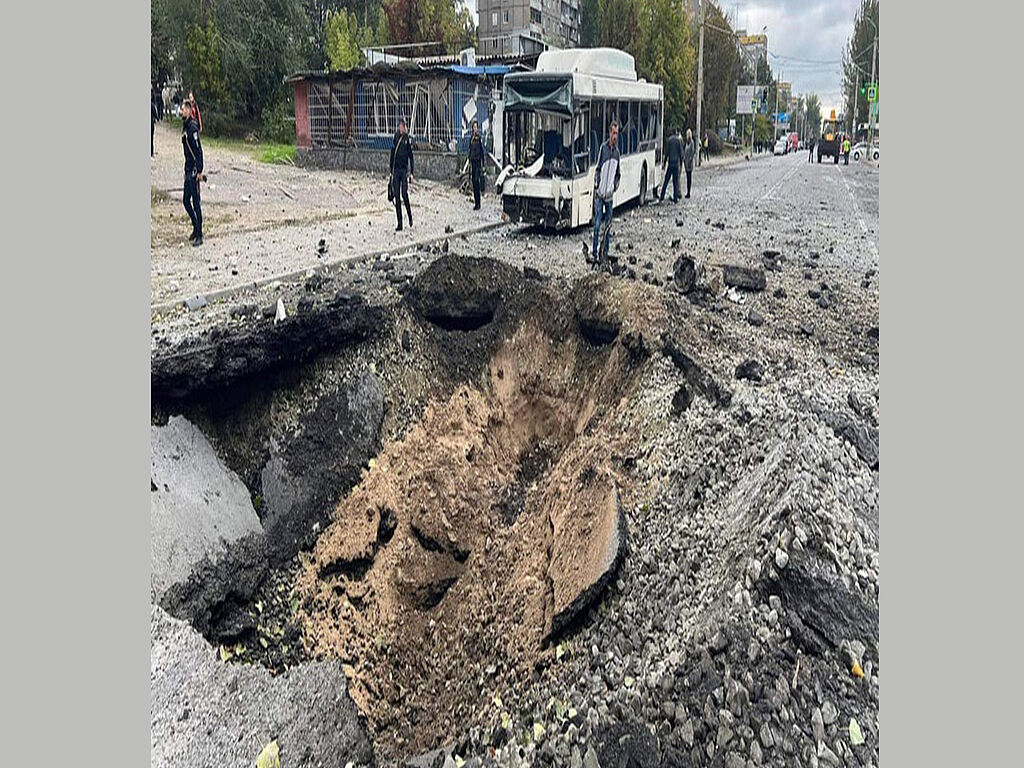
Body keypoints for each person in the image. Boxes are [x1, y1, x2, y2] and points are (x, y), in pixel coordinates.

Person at [590, 119, 621, 266]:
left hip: (609, 197)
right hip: (600, 195)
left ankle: (605, 253)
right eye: (613, 133)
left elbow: (618, 175)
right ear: (609, 133)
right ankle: (595, 253)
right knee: (597, 225)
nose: (615, 136)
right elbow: (597, 169)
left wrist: (614, 187)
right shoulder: (603, 149)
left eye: (617, 133)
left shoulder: (617, 153)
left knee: (607, 226)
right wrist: (597, 186)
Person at [181, 100, 204, 246]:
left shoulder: (193, 127)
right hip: (187, 168)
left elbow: (198, 150)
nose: (181, 111)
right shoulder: (185, 126)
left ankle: (199, 234)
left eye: (183, 109)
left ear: (189, 111)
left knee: (196, 203)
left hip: (194, 169)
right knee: (185, 200)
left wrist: (200, 171)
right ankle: (195, 226)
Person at [390, 118, 414, 231]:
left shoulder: (406, 139)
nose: (401, 128)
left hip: (404, 171)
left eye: (402, 126)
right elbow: (392, 153)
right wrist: (391, 171)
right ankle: (400, 223)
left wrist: (411, 173)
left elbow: (411, 156)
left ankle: (409, 216)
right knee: (397, 197)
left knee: (404, 194)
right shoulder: (395, 137)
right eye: (400, 126)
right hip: (396, 171)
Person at [660, 127, 682, 203]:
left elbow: (666, 153)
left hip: (670, 163)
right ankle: (675, 198)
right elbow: (681, 153)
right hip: (676, 164)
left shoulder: (669, 141)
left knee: (666, 181)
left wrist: (664, 164)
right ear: (676, 132)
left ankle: (661, 197)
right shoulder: (678, 141)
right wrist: (681, 164)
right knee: (675, 182)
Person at [468, 119, 484, 210]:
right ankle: (476, 202)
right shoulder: (471, 138)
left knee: (476, 180)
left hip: (478, 162)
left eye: (476, 127)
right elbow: (470, 150)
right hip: (473, 162)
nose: (475, 129)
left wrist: (483, 163)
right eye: (474, 127)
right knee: (474, 183)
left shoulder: (479, 138)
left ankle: (478, 203)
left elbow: (481, 151)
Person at [683, 128, 696, 199]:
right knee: (687, 177)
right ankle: (687, 192)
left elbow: (692, 152)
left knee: (689, 178)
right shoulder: (686, 143)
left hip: (689, 163)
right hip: (686, 162)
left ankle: (688, 192)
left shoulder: (692, 142)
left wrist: (690, 161)